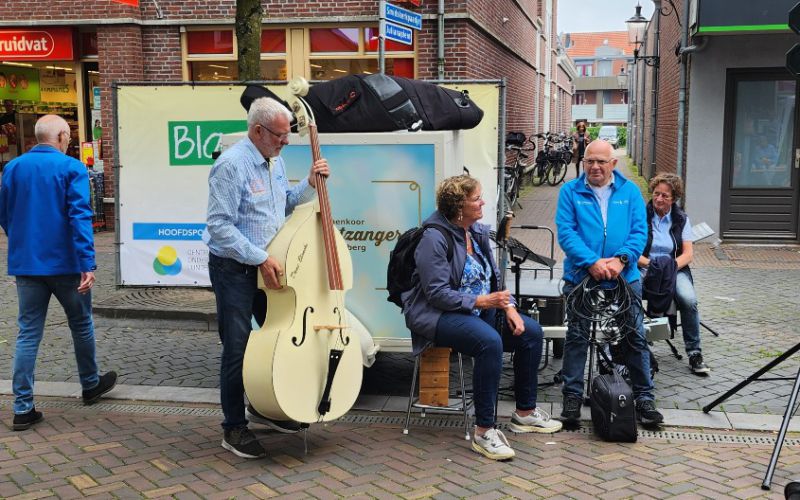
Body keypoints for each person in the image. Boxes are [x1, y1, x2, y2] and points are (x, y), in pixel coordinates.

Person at [203, 97, 330, 459]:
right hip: (236, 270)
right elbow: (219, 226)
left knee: (273, 341)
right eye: (279, 134)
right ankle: (233, 428)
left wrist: (308, 183)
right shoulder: (231, 166)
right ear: (257, 131)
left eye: (288, 133)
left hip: (265, 267)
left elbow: (285, 203)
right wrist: (260, 258)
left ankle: (264, 407)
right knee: (238, 349)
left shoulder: (273, 159)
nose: (286, 140)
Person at [402, 174, 562, 461]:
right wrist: (483, 301)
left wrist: (510, 308)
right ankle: (484, 431)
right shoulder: (433, 238)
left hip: (477, 308)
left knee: (531, 333)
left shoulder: (475, 232)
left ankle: (524, 413)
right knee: (489, 343)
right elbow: (437, 294)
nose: (483, 202)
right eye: (476, 198)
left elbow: (494, 278)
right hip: (438, 314)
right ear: (458, 206)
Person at [0, 114, 117, 431]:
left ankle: (23, 407)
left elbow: (5, 214)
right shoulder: (71, 168)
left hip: (28, 264)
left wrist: (22, 243)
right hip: (66, 265)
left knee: (27, 334)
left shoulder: (12, 168)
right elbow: (79, 217)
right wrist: (86, 263)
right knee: (81, 324)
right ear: (63, 136)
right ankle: (90, 384)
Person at [555, 140, 663, 427]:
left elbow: (640, 232)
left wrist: (621, 260)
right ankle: (572, 397)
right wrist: (592, 261)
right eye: (590, 161)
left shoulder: (629, 192)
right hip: (581, 276)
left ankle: (644, 397)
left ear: (613, 164)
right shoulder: (570, 191)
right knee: (577, 337)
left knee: (634, 336)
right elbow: (566, 233)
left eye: (602, 161)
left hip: (624, 276)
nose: (595, 167)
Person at [638, 173, 710, 375]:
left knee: (688, 300)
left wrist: (667, 268)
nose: (659, 199)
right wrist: (654, 266)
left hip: (675, 268)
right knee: (630, 293)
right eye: (656, 194)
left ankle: (694, 353)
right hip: (644, 266)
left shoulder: (681, 219)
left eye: (665, 196)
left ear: (674, 198)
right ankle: (640, 347)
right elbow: (633, 251)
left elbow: (688, 254)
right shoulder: (640, 216)